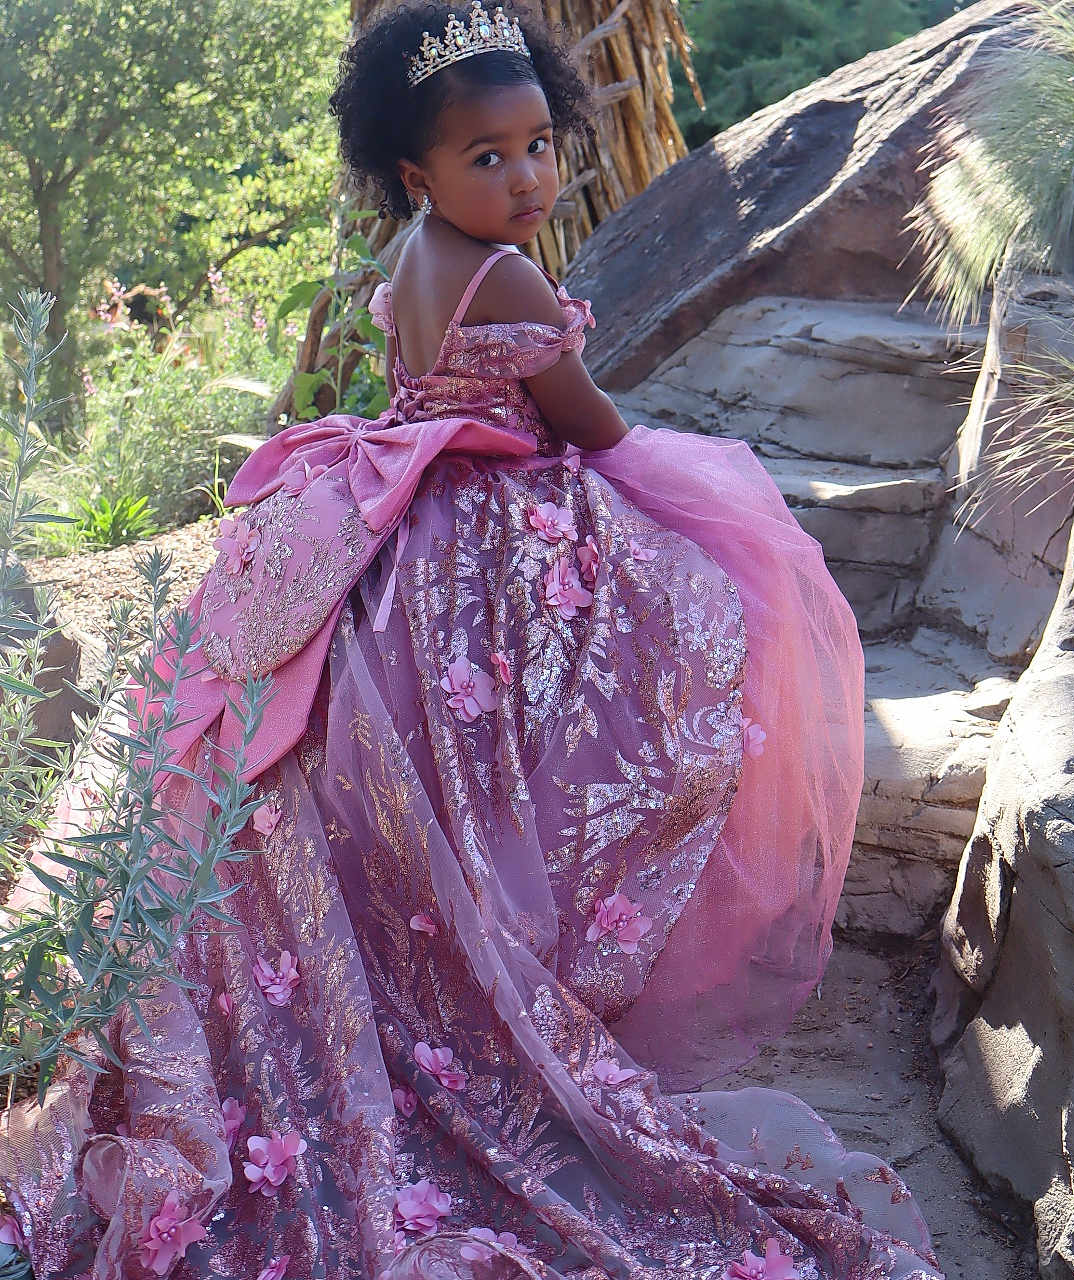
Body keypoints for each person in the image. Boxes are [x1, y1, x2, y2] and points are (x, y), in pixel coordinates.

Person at [0, 4, 943, 1277]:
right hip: (480, 539)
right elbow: (593, 428)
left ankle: (402, 988)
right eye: (486, 156)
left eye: (539, 146)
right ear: (417, 173)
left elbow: (408, 389)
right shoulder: (507, 277)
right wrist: (702, 501)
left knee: (403, 777)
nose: (526, 177)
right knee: (652, 654)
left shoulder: (409, 266)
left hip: (394, 536)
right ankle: (482, 982)